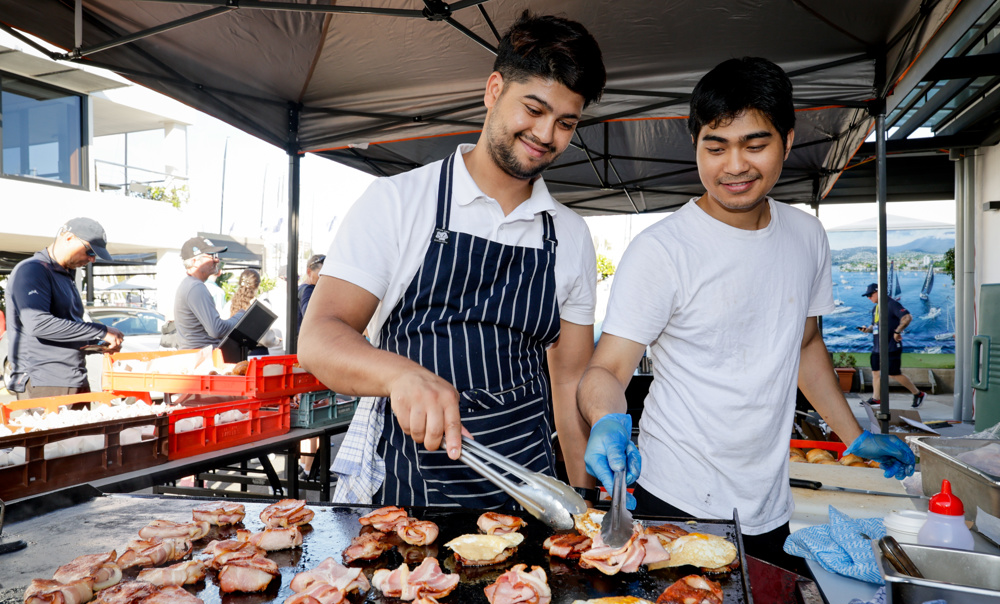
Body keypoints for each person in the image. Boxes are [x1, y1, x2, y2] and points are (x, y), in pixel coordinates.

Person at [576, 57, 915, 569]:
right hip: (676, 497)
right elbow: (606, 368)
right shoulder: (662, 250)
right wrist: (606, 418)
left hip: (769, 503)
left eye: (755, 145)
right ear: (695, 146)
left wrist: (854, 434)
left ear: (787, 140)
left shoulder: (806, 236)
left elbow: (805, 344)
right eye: (715, 148)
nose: (734, 166)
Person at [299, 11, 605, 508]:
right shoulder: (398, 202)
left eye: (565, 123)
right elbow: (319, 338)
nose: (546, 134)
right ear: (494, 90)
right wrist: (400, 375)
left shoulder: (570, 235)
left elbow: (568, 379)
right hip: (415, 495)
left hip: (531, 493)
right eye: (534, 109)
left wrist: (583, 499)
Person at [5, 218, 124, 398]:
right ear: (68, 238)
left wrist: (98, 343)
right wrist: (100, 331)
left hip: (73, 377)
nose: (92, 259)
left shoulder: (65, 274)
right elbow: (38, 324)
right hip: (44, 380)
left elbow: (68, 327)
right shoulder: (32, 270)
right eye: (90, 251)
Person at [860, 283, 925, 408]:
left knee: (894, 373)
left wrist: (897, 331)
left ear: (878, 292)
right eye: (867, 296)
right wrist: (867, 330)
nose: (868, 297)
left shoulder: (892, 304)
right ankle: (876, 399)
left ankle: (918, 394)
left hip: (891, 346)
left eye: (870, 294)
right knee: (875, 373)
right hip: (877, 347)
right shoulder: (876, 309)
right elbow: (875, 326)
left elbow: (907, 317)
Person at [173, 236, 243, 349]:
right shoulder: (196, 287)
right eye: (211, 256)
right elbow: (217, 330)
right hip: (202, 355)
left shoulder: (189, 284)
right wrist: (240, 317)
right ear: (195, 261)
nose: (217, 260)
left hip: (197, 354)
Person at [297, 254, 325, 329]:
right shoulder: (308, 290)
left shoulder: (302, 288)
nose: (324, 279)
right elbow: (310, 317)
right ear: (309, 272)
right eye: (321, 275)